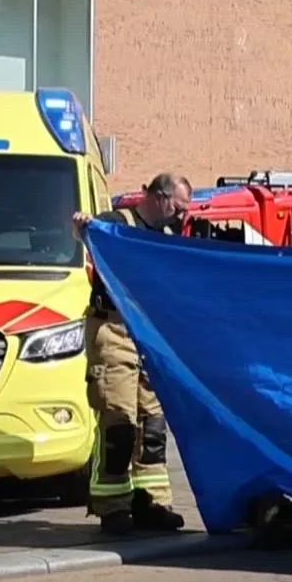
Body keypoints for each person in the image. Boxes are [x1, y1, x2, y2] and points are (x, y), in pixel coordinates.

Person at [72, 172, 194, 535]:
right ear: (159, 197)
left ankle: (151, 502)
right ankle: (112, 506)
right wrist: (83, 228)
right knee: (119, 421)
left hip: (150, 337)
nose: (181, 216)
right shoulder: (116, 224)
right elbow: (85, 234)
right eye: (179, 207)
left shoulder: (170, 239)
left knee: (153, 425)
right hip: (114, 330)